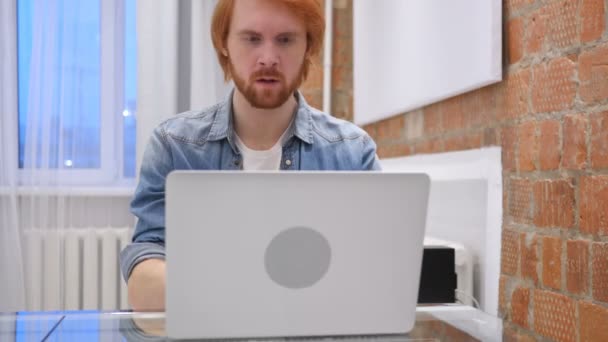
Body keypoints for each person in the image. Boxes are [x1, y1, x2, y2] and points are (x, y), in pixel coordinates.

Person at [120, 0, 381, 311]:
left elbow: (372, 275)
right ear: (224, 43)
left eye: (285, 40)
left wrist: (211, 285)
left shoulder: (352, 153)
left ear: (308, 47)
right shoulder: (175, 146)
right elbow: (145, 286)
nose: (268, 58)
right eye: (252, 39)